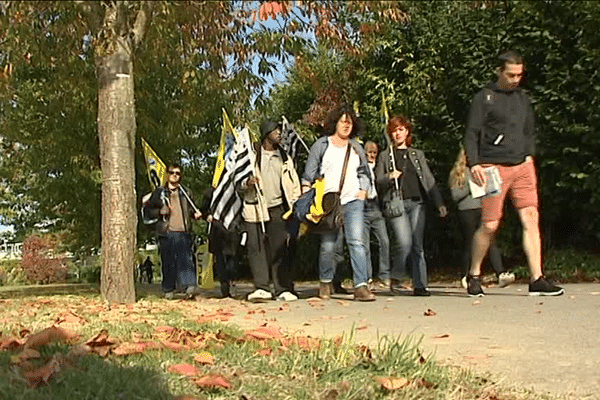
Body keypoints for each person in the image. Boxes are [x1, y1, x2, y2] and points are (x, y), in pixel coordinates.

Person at [465, 50, 564, 297]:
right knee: (489, 224)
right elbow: (471, 132)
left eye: (519, 75)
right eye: (510, 75)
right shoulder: (483, 98)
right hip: (492, 167)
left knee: (531, 217)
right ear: (499, 72)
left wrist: (529, 155)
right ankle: (474, 274)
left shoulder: (523, 98)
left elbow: (529, 130)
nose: (515, 79)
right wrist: (474, 163)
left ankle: (536, 278)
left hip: (522, 166)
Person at [302, 104, 375, 301]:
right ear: (335, 123)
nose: (346, 125)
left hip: (353, 201)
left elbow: (364, 173)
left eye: (350, 122)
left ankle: (360, 286)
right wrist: (307, 196)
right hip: (328, 202)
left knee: (357, 242)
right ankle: (325, 282)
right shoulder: (322, 145)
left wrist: (363, 190)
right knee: (328, 245)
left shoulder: (356, 147)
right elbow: (308, 174)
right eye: (343, 121)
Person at [375, 116, 448, 296]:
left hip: (417, 203)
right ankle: (397, 275)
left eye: (401, 129)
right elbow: (377, 181)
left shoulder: (417, 154)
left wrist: (439, 203)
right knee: (404, 242)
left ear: (407, 131)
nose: (397, 133)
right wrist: (389, 177)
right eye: (394, 130)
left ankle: (420, 284)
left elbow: (428, 179)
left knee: (417, 244)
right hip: (396, 203)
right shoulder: (386, 155)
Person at [241, 120, 301, 302]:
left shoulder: (284, 157)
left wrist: (296, 203)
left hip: (279, 208)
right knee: (256, 248)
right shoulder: (251, 155)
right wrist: (247, 183)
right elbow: (238, 177)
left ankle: (282, 288)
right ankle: (261, 287)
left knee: (280, 249)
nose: (279, 134)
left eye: (280, 131)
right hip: (255, 207)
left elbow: (294, 182)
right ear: (266, 132)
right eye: (275, 130)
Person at [449, 148, 514, 288]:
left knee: (490, 239)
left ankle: (500, 273)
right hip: (466, 210)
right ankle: (465, 275)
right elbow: (455, 196)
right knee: (469, 243)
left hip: (483, 208)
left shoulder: (484, 170)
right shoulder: (459, 173)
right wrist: (471, 185)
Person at [145, 163, 202, 299]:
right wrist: (160, 211)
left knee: (186, 260)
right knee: (168, 261)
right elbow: (148, 211)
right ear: (167, 174)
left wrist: (196, 215)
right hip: (166, 231)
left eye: (177, 173)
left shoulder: (186, 192)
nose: (175, 175)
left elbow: (191, 210)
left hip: (183, 230)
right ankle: (169, 289)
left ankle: (189, 287)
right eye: (172, 172)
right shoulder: (159, 193)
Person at [200, 187, 240, 298]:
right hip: (217, 230)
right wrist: (207, 215)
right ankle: (225, 289)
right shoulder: (211, 191)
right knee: (221, 260)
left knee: (232, 261)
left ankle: (231, 280)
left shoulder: (235, 189)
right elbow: (204, 208)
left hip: (233, 230)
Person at [363, 141, 391, 288]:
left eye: (374, 153)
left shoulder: (380, 167)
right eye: (369, 152)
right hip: (363, 207)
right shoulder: (360, 167)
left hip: (376, 206)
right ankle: (367, 276)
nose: (372, 155)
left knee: (384, 241)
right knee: (364, 245)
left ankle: (384, 274)